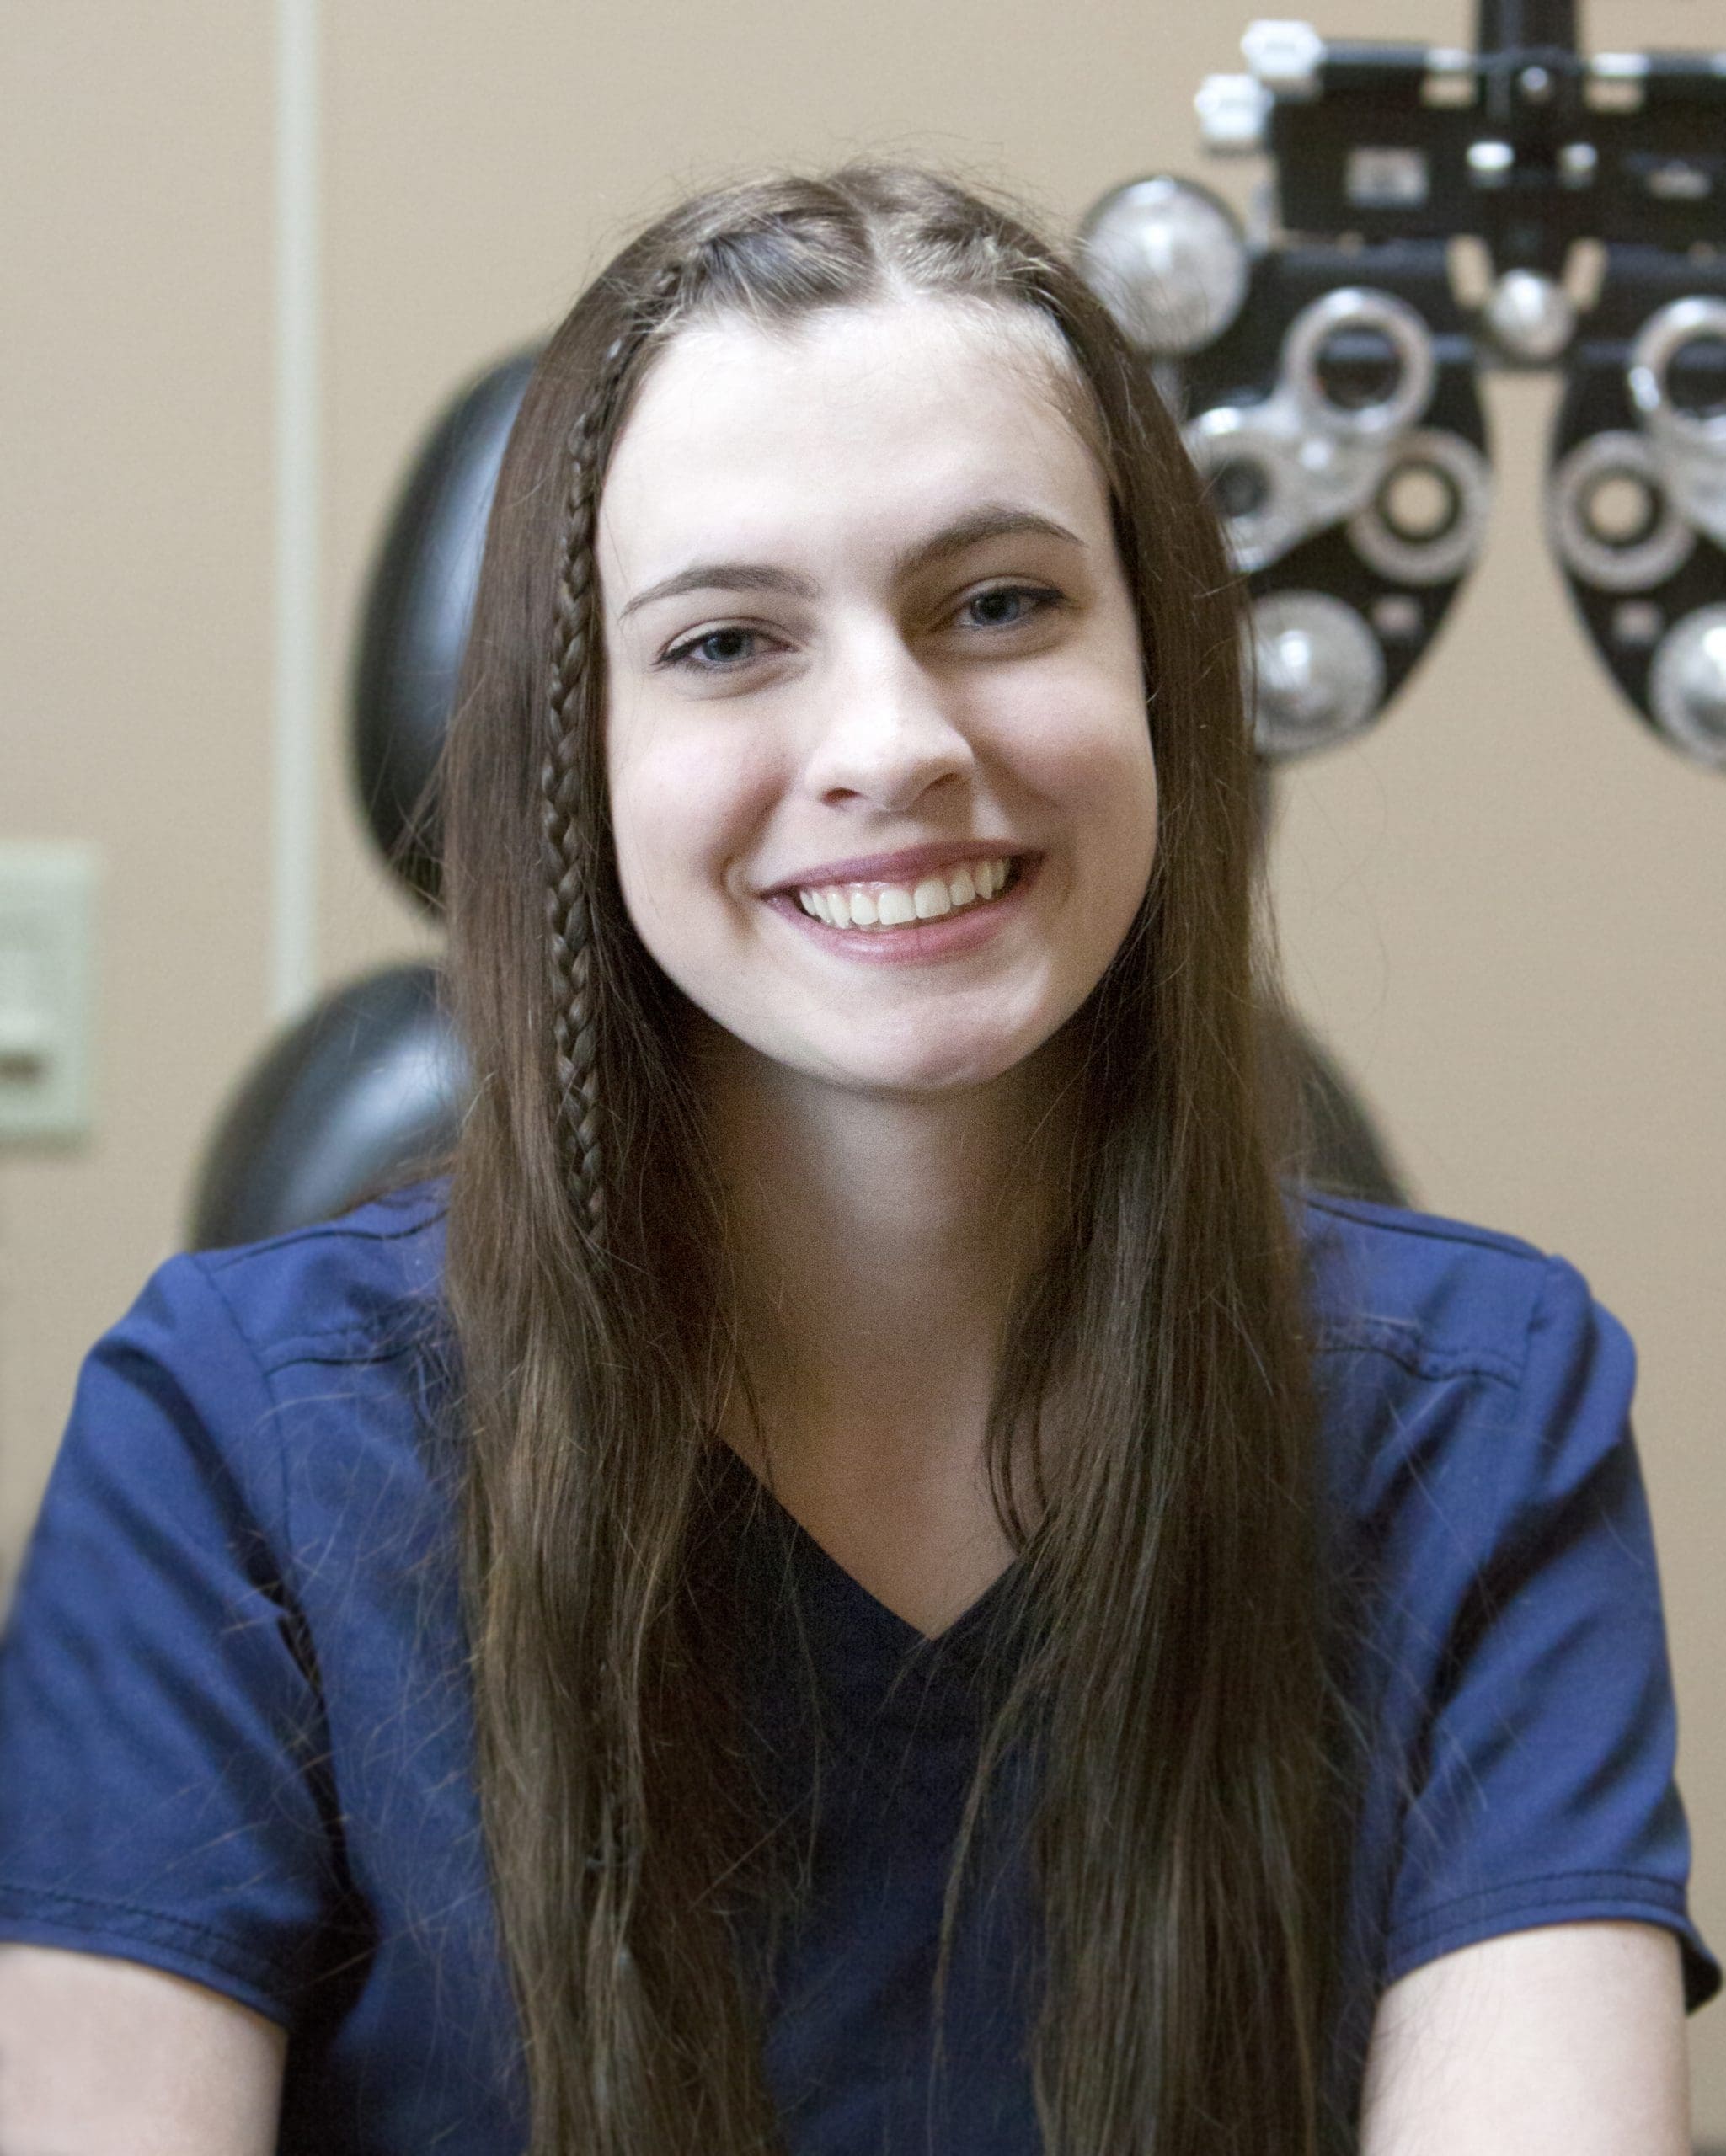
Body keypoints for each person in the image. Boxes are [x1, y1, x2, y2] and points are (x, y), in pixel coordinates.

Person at [0, 164, 1715, 2156]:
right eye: (728, 643)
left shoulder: (1477, 1406)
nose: (889, 738)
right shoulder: (225, 1437)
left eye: (998, 604)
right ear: (582, 754)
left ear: (1156, 672)